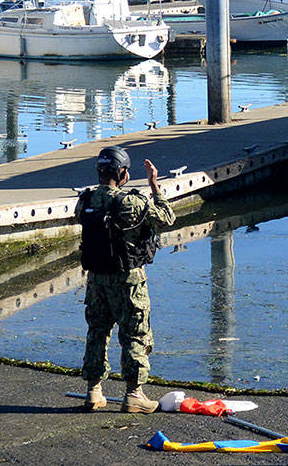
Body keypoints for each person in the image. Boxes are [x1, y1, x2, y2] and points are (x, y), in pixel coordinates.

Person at [76, 145, 176, 414]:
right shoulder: (132, 202)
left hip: (97, 279)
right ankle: (134, 394)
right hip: (129, 280)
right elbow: (167, 218)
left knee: (97, 331)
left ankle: (93, 391)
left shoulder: (85, 201)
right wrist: (155, 186)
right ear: (121, 172)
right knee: (135, 334)